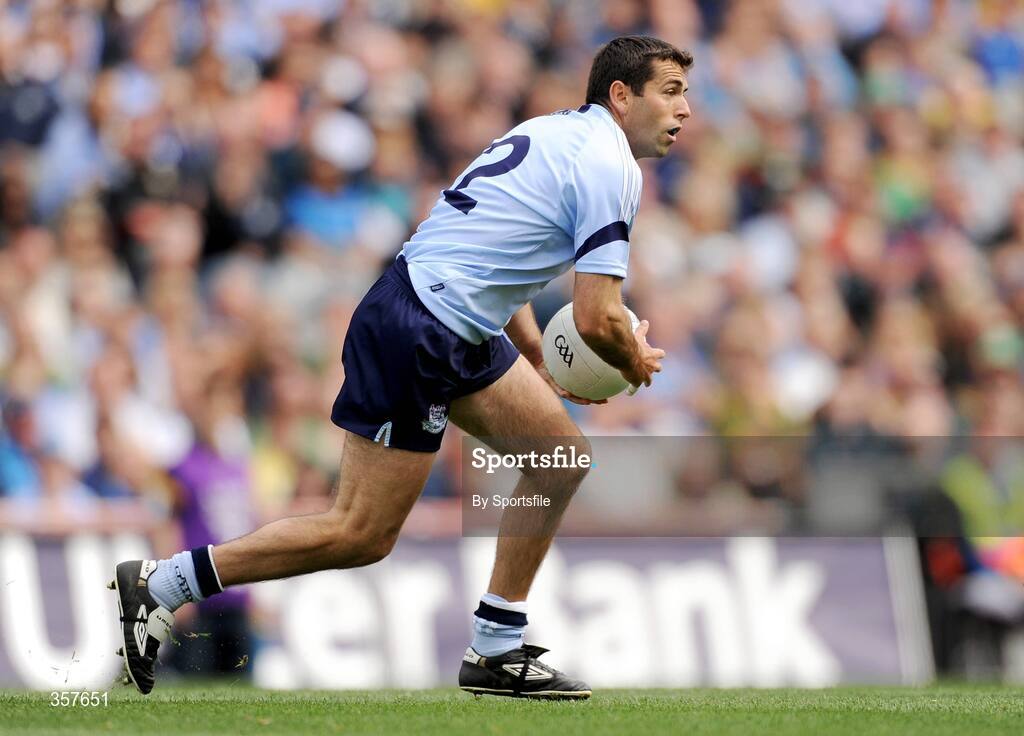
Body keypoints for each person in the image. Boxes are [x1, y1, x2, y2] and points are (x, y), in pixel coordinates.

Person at [110, 36, 691, 699]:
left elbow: (503, 260)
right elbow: (597, 318)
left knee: (557, 456)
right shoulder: (613, 167)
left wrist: (534, 355)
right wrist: (634, 358)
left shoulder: (557, 133)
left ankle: (497, 647)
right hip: (419, 328)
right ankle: (163, 584)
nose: (685, 110)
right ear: (622, 96)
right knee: (360, 533)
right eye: (671, 91)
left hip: (447, 315)